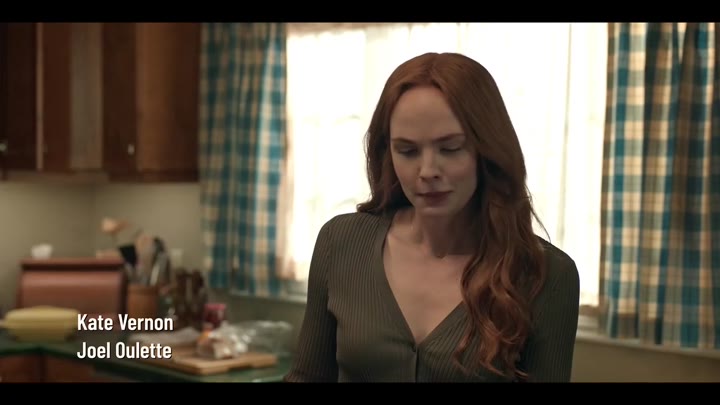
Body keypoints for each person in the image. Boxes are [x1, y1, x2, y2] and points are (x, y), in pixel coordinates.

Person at [283, 52, 580, 383]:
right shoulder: (340, 243)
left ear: (487, 150)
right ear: (387, 153)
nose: (427, 171)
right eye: (407, 151)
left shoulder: (547, 274)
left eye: (450, 148)